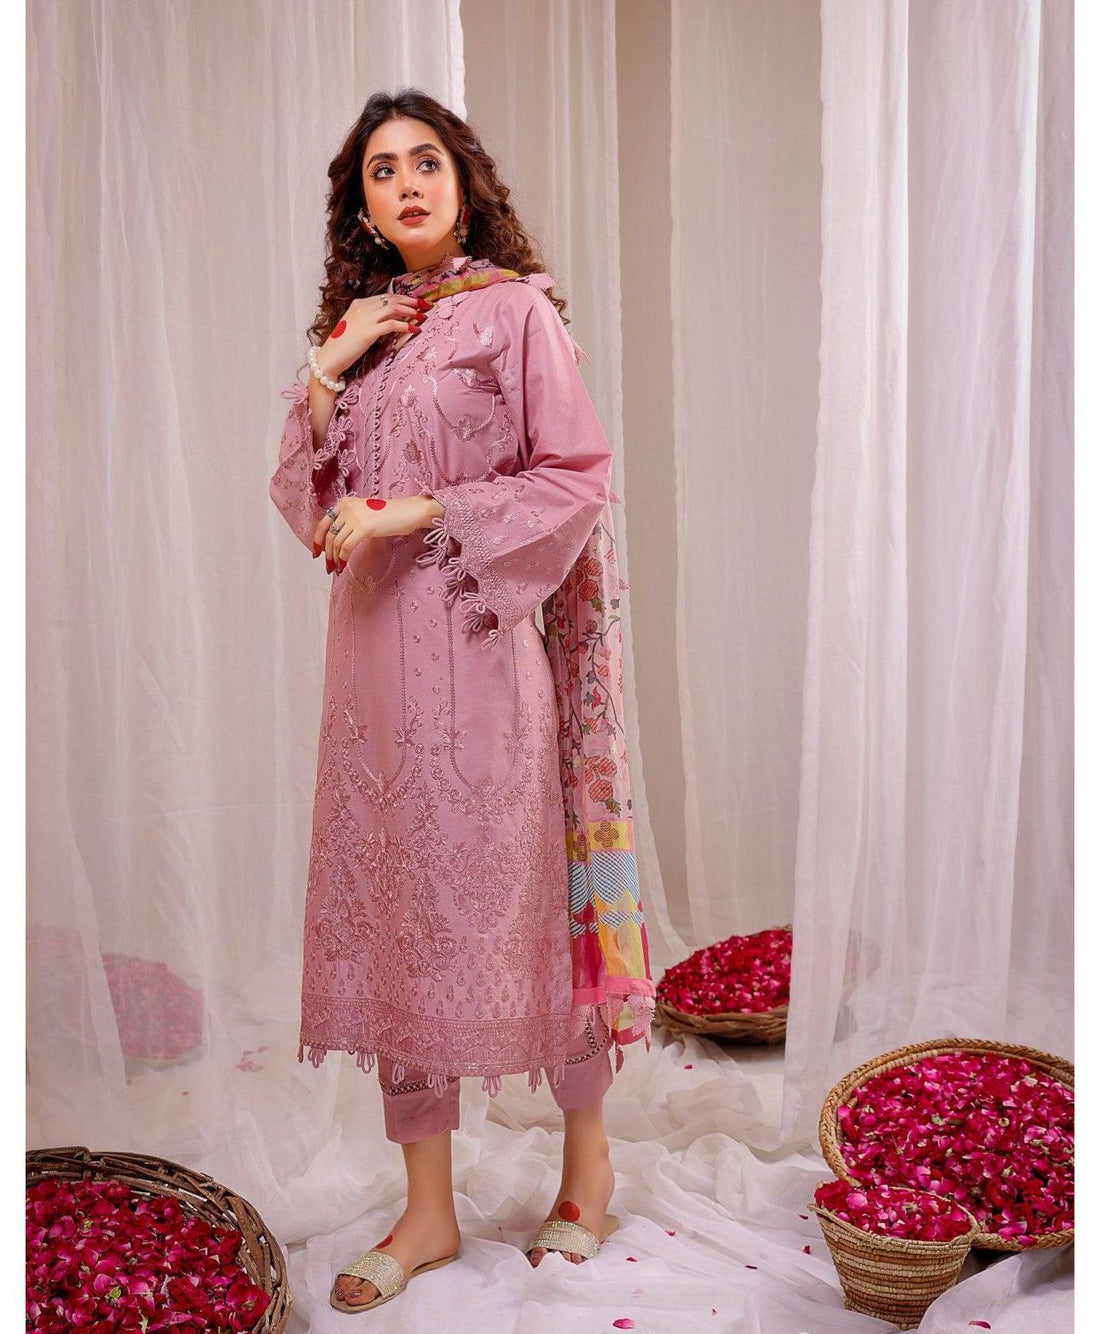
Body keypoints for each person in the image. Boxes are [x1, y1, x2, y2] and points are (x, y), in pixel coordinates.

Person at [269, 88, 655, 1314]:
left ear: (463, 180)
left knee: (523, 902)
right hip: (368, 671)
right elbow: (313, 509)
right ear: (362, 208)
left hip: (481, 654)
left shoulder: (512, 312)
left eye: (424, 161)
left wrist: (423, 507)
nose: (406, 184)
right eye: (380, 172)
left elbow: (574, 476)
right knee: (396, 917)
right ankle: (426, 1207)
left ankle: (586, 1166)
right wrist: (325, 371)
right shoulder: (365, 333)